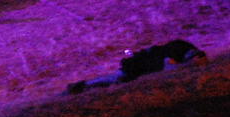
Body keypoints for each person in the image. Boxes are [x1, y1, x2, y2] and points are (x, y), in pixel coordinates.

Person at [66, 39, 207, 94]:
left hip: (141, 62)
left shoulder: (180, 47)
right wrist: (188, 66)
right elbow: (170, 68)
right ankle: (82, 86)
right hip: (138, 66)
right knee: (116, 79)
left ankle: (82, 85)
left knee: (115, 78)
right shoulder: (174, 54)